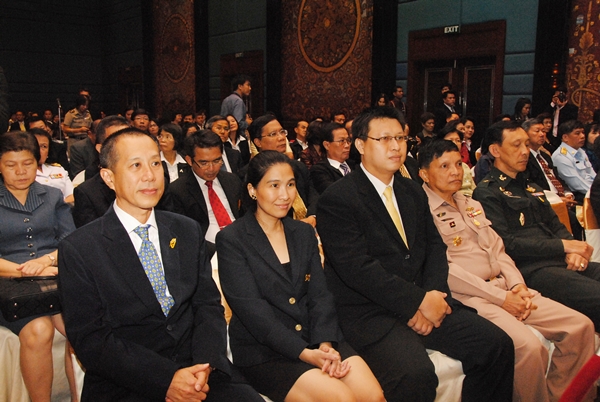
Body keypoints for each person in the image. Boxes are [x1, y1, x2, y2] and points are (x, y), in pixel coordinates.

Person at [317, 106, 514, 402]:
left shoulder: (412, 190)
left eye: (400, 138)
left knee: (496, 345)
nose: (396, 146)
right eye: (384, 139)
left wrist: (433, 295)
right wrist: (416, 303)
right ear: (360, 145)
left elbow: (435, 247)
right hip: (372, 311)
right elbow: (357, 269)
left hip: (426, 297)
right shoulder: (338, 198)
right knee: (416, 375)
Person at [59, 128, 262, 402]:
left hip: (198, 370)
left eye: (155, 163)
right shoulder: (81, 248)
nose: (150, 175)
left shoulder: (186, 230)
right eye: (136, 166)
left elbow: (207, 305)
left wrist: (205, 365)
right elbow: (92, 340)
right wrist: (166, 379)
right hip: (128, 380)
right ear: (108, 177)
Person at [419, 139, 596, 402]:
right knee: (528, 347)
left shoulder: (470, 204)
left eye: (458, 164)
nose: (455, 172)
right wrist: (502, 298)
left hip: (506, 286)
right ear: (424, 174)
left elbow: (498, 250)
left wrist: (517, 285)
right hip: (472, 297)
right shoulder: (420, 211)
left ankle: (563, 397)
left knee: (580, 327)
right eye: (444, 166)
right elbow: (445, 270)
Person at [216, 151, 384, 402]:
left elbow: (320, 295)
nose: (285, 195)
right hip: (266, 351)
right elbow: (254, 314)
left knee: (373, 396)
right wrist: (306, 354)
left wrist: (325, 343)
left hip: (316, 335)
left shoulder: (303, 233)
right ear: (252, 190)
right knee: (340, 398)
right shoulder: (232, 239)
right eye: (274, 186)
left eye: (291, 184)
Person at [472, 120, 600, 330]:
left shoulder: (531, 187)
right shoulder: (487, 192)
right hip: (533, 269)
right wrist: (564, 246)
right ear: (496, 150)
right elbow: (507, 244)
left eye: (526, 144)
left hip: (561, 261)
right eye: (516, 145)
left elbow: (555, 224)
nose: (525, 151)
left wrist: (574, 250)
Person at [0, 131, 78, 402]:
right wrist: (27, 270)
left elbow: (69, 242)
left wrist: (46, 262)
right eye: (11, 165)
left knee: (79, 325)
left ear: (38, 162)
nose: (21, 171)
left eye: (28, 163)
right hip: (9, 283)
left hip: (53, 274)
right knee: (39, 330)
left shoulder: (53, 195)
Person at [168, 131, 242, 256]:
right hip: (210, 251)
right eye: (204, 163)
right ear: (189, 160)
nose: (211, 168)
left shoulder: (232, 180)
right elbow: (185, 234)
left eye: (217, 161)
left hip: (241, 242)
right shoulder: (177, 190)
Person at [248, 114, 319, 226]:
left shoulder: (298, 167)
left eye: (282, 132)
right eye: (273, 134)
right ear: (258, 142)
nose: (281, 138)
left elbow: (313, 196)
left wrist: (312, 217)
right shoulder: (249, 173)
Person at [552, 120, 596, 203]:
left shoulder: (580, 151)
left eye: (583, 132)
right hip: (578, 194)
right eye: (577, 133)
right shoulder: (561, 156)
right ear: (565, 137)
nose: (583, 136)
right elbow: (577, 184)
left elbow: (592, 174)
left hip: (590, 190)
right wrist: (596, 193)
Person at [31, 127, 74, 203]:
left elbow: (71, 195)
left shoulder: (58, 169)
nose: (39, 150)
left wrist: (58, 206)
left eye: (44, 146)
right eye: (35, 145)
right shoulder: (23, 172)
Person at [309, 122, 354, 194]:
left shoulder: (355, 165)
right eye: (341, 141)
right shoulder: (319, 170)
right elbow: (333, 193)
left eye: (348, 140)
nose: (347, 145)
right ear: (327, 145)